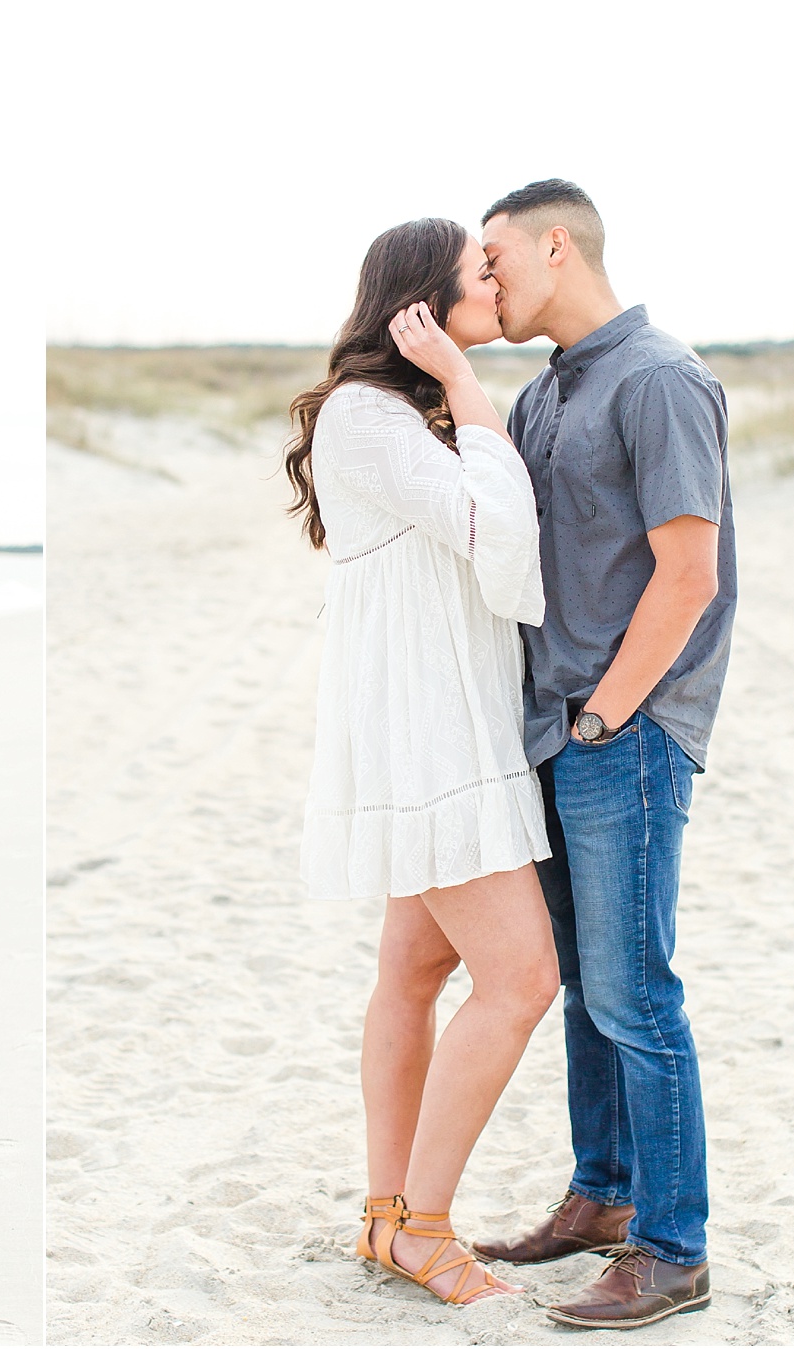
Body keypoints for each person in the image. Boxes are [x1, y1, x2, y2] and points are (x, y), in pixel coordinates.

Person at [469, 179, 732, 1331]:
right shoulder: (543, 391)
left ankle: (676, 1251)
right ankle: (601, 1196)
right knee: (587, 989)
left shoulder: (661, 378)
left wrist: (605, 716)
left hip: (620, 733)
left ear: (556, 245)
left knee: (638, 994)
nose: (486, 281)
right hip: (552, 730)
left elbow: (690, 572)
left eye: (495, 260)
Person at [286, 218, 560, 1306]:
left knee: (414, 967)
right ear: (419, 310)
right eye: (475, 278)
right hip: (430, 728)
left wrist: (455, 383)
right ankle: (424, 1225)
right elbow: (503, 546)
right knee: (522, 977)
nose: (492, 289)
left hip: (448, 716)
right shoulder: (366, 414)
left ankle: (387, 1212)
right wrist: (464, 379)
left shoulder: (403, 411)